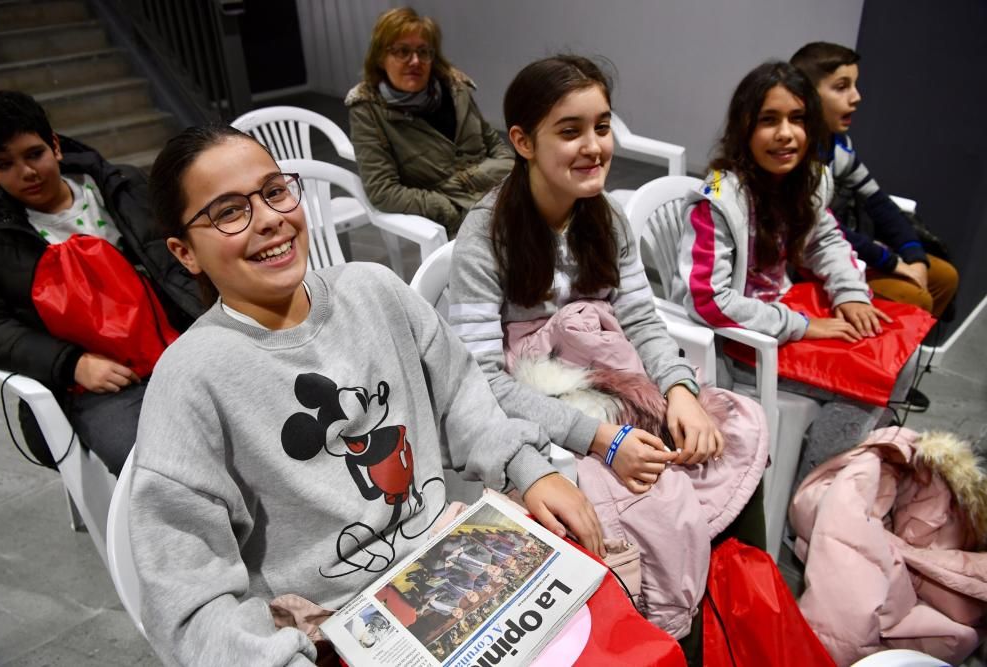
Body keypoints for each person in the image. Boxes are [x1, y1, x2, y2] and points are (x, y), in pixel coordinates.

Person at [131, 124, 602, 666]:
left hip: (447, 564)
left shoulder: (373, 290)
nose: (268, 220)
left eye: (274, 191)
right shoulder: (191, 377)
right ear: (185, 252)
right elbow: (188, 593)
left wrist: (529, 467)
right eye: (229, 212)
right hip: (333, 627)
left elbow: (462, 397)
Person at [449, 55, 769, 664]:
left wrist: (681, 392)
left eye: (602, 126)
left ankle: (737, 616)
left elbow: (644, 320)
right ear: (523, 141)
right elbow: (481, 380)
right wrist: (599, 438)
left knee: (731, 433)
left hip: (614, 379)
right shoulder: (485, 235)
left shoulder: (607, 217)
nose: (594, 146)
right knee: (646, 501)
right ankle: (676, 639)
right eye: (570, 131)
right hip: (540, 408)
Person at [670, 61, 918, 490]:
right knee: (865, 390)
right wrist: (804, 327)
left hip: (782, 316)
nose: (786, 134)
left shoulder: (805, 180)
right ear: (744, 128)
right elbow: (709, 300)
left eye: (798, 119)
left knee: (902, 348)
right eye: (769, 120)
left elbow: (826, 240)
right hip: (742, 344)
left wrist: (850, 293)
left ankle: (853, 479)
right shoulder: (717, 199)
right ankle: (813, 498)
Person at [0, 90, 202, 475]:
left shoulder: (122, 186)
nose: (27, 173)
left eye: (33, 154)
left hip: (179, 342)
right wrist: (72, 364)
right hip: (95, 383)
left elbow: (186, 254)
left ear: (54, 145)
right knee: (152, 465)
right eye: (4, 165)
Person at [791, 42, 958, 321]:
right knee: (913, 296)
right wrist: (891, 263)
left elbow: (879, 202)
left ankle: (899, 351)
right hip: (809, 260)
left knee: (944, 277)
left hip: (845, 247)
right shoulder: (794, 154)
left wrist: (913, 255)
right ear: (806, 96)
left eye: (855, 85)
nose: (856, 97)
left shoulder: (838, 147)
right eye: (842, 87)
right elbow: (819, 230)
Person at [345, 7, 513, 237]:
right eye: (402, 51)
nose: (415, 61)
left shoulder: (456, 89)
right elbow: (383, 191)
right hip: (459, 216)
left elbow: (498, 149)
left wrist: (475, 180)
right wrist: (447, 209)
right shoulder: (368, 109)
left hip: (502, 197)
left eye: (423, 52)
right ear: (380, 58)